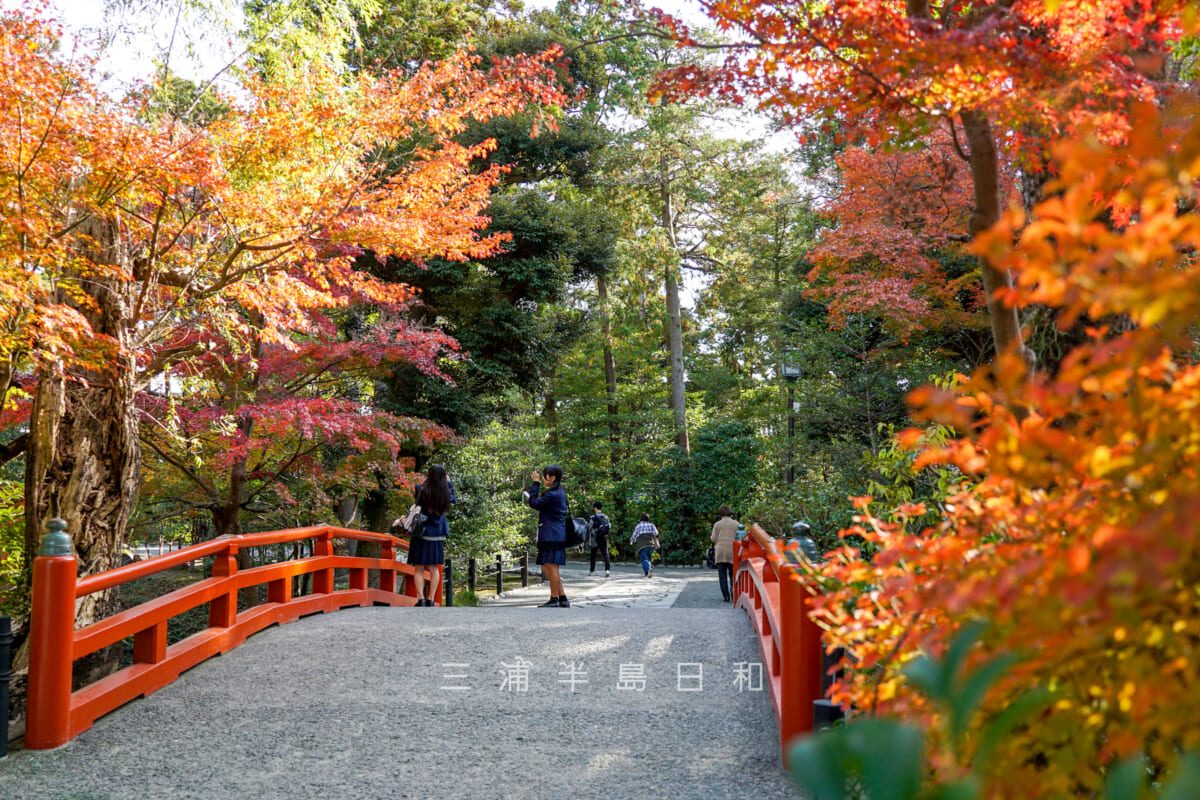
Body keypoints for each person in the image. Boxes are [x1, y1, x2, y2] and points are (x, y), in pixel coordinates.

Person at [409, 464, 454, 606]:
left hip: (422, 533)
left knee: (419, 567)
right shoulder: (446, 493)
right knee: (434, 568)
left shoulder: (421, 489)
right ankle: (431, 599)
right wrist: (449, 482)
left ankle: (421, 598)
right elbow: (453, 497)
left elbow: (417, 494)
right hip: (438, 534)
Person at [528, 464, 570, 607]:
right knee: (547, 567)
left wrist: (535, 484)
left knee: (551, 568)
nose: (543, 478)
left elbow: (533, 503)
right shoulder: (559, 492)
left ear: (552, 478)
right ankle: (562, 597)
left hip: (551, 534)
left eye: (545, 476)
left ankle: (554, 599)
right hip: (556, 533)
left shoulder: (552, 494)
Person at [710, 504, 739, 602]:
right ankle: (733, 590)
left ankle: (725, 596)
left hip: (720, 551)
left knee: (722, 574)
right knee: (732, 573)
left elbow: (713, 538)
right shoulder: (736, 524)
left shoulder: (717, 524)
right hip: (732, 551)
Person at [629, 513, 660, 578]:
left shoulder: (639, 526)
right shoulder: (651, 525)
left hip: (642, 545)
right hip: (651, 544)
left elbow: (634, 535)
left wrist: (632, 541)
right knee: (649, 558)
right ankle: (647, 572)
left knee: (644, 558)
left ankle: (648, 570)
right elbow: (656, 533)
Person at [588, 501, 612, 578]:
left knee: (593, 554)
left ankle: (592, 570)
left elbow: (589, 528)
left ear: (595, 508)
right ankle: (607, 570)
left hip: (594, 537)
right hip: (603, 537)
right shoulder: (606, 517)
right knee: (605, 553)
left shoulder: (592, 517)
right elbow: (608, 527)